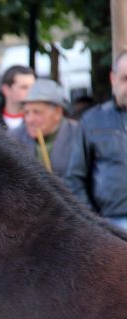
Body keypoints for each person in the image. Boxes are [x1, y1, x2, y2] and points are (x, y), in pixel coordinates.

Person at [66, 52, 127, 229]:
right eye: (125, 79)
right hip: (111, 223)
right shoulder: (92, 121)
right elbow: (75, 178)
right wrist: (93, 222)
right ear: (112, 78)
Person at [8, 78, 81, 178]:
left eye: (37, 112)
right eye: (27, 112)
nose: (30, 119)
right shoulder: (14, 138)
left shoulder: (78, 135)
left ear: (57, 112)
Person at [0, 65, 36, 130]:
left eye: (33, 87)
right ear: (6, 90)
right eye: (24, 87)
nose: (31, 92)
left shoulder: (40, 123)